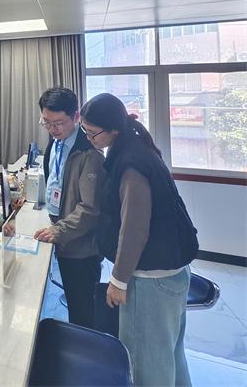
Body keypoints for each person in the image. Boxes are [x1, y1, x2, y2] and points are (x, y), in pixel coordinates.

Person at [80, 93, 198, 387]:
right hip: (170, 273)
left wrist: (118, 280)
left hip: (150, 280)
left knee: (146, 365)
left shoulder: (131, 164)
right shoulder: (136, 148)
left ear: (113, 129)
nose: (88, 138)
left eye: (92, 133)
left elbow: (134, 229)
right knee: (170, 357)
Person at [33, 87, 104, 330]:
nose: (52, 129)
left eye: (59, 123)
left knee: (82, 311)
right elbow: (56, 182)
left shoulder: (89, 153)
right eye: (47, 122)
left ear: (76, 117)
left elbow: (90, 208)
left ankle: (85, 349)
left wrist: (59, 230)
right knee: (73, 301)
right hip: (63, 236)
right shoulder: (55, 143)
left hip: (82, 248)